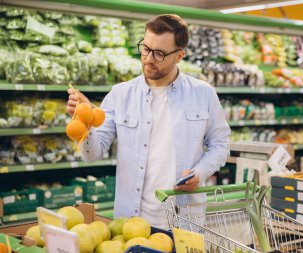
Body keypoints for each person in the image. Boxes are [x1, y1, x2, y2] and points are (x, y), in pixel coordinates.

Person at [66, 14, 230, 228]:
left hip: (185, 221)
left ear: (179, 55)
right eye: (145, 48)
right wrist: (85, 121)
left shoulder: (203, 94)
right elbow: (92, 154)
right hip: (131, 222)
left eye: (159, 53)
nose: (149, 58)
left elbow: (220, 144)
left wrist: (200, 173)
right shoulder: (120, 94)